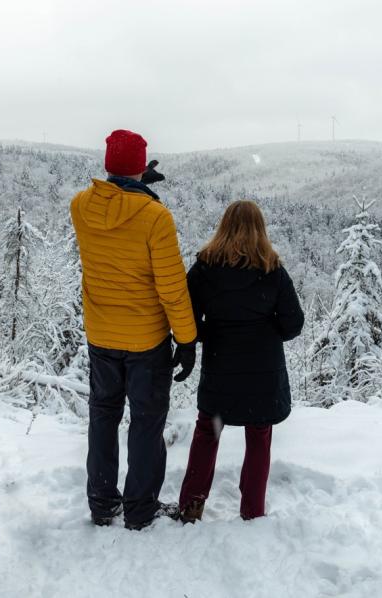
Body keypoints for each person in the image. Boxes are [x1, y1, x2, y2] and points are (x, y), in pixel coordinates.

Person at [69, 129, 197, 531]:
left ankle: (103, 503)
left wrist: (133, 184)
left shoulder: (80, 206)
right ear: (141, 166)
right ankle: (140, 507)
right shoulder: (155, 216)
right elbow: (171, 288)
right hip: (146, 341)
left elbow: (114, 219)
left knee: (103, 417)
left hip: (101, 335)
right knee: (146, 421)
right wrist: (187, 339)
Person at [178, 200, 304, 522]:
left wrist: (211, 332)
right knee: (259, 434)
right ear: (260, 229)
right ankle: (252, 509)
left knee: (209, 430)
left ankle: (191, 505)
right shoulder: (272, 270)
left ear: (224, 226)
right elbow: (293, 324)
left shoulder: (205, 268)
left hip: (220, 366)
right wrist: (265, 331)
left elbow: (186, 318)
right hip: (263, 371)